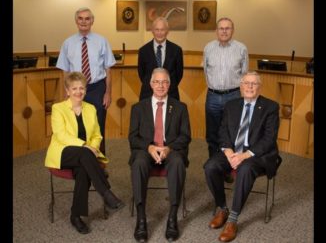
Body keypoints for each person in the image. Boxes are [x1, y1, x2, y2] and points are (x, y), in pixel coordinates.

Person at [204, 71, 280, 242]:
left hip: (256, 154)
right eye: (246, 83)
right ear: (241, 86)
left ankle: (232, 220)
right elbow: (222, 131)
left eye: (254, 84)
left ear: (259, 87)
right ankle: (222, 208)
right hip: (233, 151)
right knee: (210, 166)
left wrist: (244, 155)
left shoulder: (270, 107)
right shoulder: (232, 105)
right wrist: (229, 152)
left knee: (245, 169)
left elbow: (269, 139)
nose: (250, 87)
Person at [45, 72, 124, 234]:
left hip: (85, 155)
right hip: (63, 153)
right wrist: (85, 146)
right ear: (67, 91)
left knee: (83, 171)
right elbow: (61, 135)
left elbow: (96, 134)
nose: (78, 92)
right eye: (74, 88)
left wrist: (93, 147)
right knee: (84, 154)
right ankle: (106, 192)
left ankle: (75, 216)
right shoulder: (58, 108)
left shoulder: (90, 109)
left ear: (86, 90)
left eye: (81, 88)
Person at [128, 68, 191, 242]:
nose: (160, 86)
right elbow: (133, 137)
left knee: (178, 162)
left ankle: (172, 217)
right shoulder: (138, 108)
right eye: (157, 82)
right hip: (146, 150)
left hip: (171, 150)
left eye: (164, 82)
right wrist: (148, 147)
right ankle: (141, 219)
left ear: (170, 85)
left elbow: (185, 136)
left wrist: (168, 148)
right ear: (150, 84)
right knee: (139, 162)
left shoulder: (180, 107)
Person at [56, 7, 116, 155]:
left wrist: (108, 92)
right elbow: (65, 70)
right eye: (81, 18)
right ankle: (81, 161)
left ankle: (100, 162)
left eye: (87, 18)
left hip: (97, 88)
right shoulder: (67, 43)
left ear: (92, 21)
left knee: (98, 126)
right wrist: (67, 91)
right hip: (76, 89)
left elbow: (108, 69)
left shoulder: (102, 41)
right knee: (78, 125)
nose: (84, 21)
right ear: (76, 21)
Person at [203, 17, 249, 158]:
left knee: (231, 132)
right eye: (221, 28)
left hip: (233, 96)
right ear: (216, 31)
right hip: (213, 96)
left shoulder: (241, 49)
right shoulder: (208, 48)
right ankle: (213, 164)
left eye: (227, 28)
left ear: (232, 30)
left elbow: (245, 74)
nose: (224, 31)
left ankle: (228, 166)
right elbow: (206, 72)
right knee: (212, 133)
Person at [138, 17, 184, 101]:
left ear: (167, 31)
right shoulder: (143, 51)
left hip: (171, 94)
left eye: (162, 30)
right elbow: (142, 75)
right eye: (157, 29)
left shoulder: (176, 50)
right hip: (148, 94)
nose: (159, 33)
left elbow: (179, 74)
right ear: (152, 31)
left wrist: (166, 86)